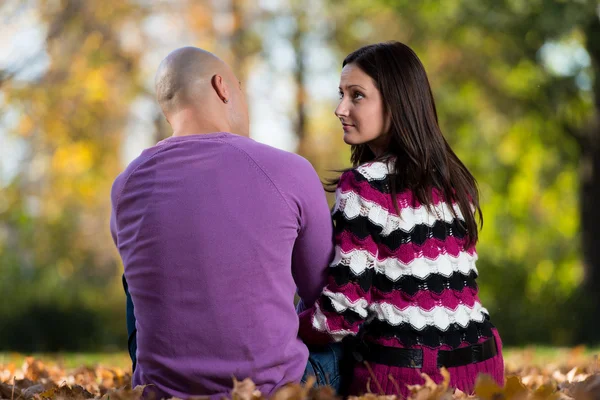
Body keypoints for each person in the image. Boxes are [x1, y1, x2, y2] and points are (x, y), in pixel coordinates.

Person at [109, 46, 342, 399]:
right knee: (345, 330)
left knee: (134, 277)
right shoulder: (289, 171)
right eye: (241, 92)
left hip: (163, 392)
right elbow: (323, 296)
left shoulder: (125, 185)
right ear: (222, 87)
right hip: (275, 390)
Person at [298, 41, 504, 397]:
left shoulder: (365, 187)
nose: (339, 109)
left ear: (397, 102)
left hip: (405, 379)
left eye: (356, 96)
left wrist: (281, 327)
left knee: (302, 317)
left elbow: (340, 316)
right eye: (341, 94)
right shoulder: (456, 181)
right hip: (483, 370)